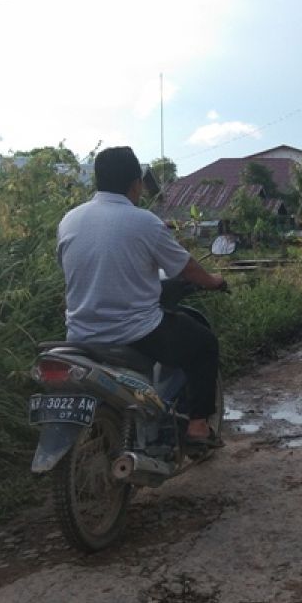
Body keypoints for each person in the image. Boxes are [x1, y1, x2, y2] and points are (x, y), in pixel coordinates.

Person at [57, 146, 227, 445]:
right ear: (136, 183)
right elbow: (186, 267)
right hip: (134, 333)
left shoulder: (70, 220)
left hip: (79, 333)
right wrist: (213, 281)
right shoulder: (144, 221)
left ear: (97, 180)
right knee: (203, 344)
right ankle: (198, 427)